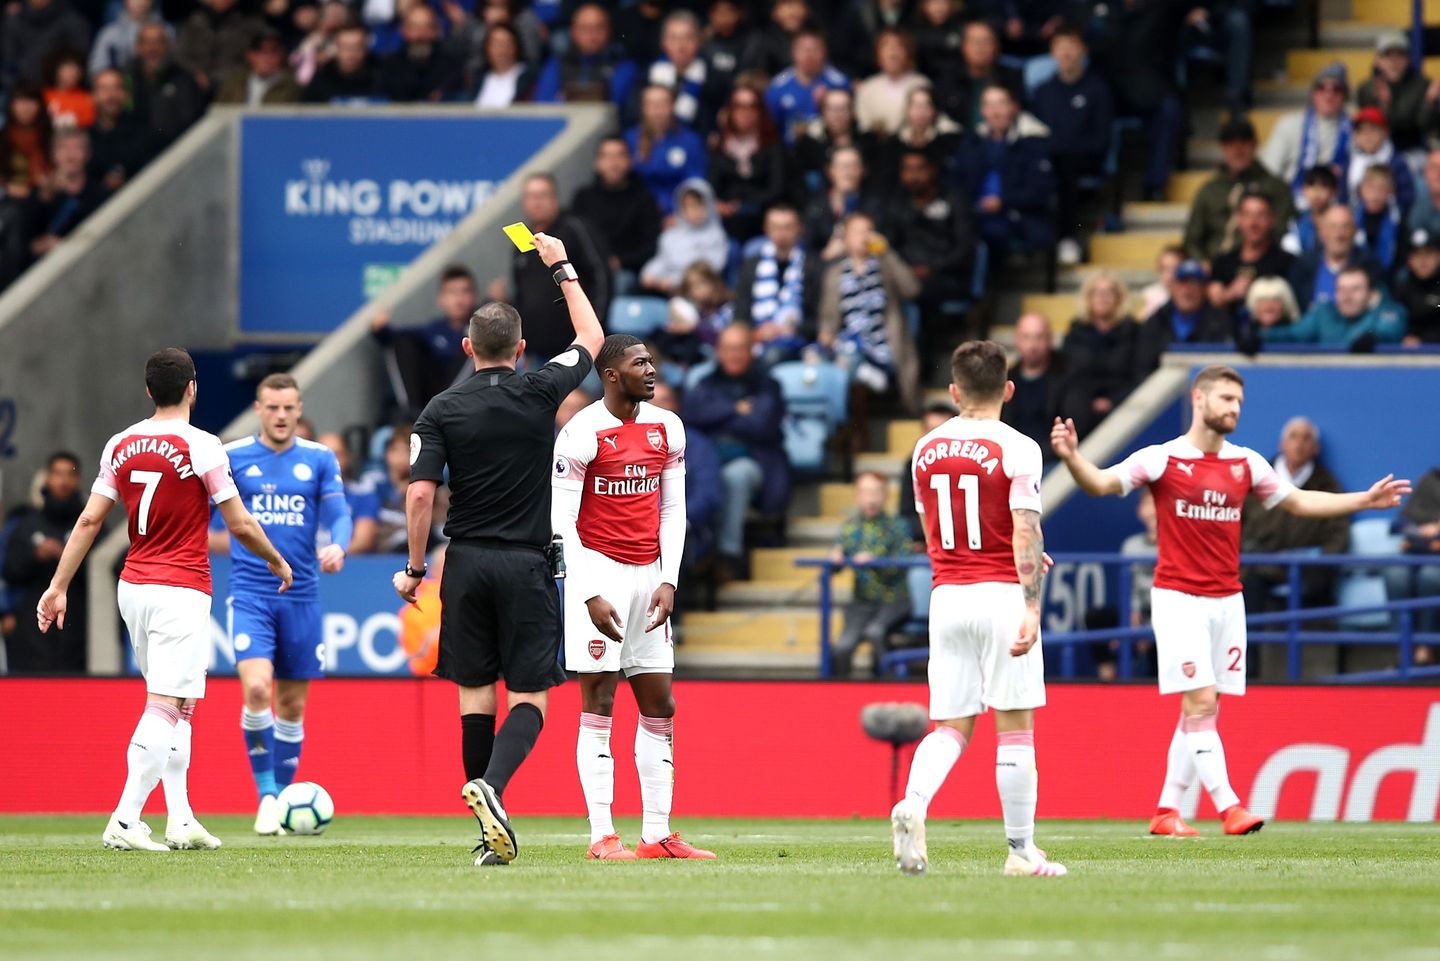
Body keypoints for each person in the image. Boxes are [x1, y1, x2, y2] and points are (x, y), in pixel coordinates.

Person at [1050, 365, 1410, 837]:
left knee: (1203, 709)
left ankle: (1166, 811)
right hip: (1179, 598)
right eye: (1225, 399)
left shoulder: (1247, 463)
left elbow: (1299, 502)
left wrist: (1363, 500)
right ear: (1198, 400)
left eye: (1238, 401)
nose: (1234, 409)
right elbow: (1100, 484)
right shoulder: (1162, 459)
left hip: (1227, 601)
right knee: (1200, 701)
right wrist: (1075, 459)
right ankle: (1229, 807)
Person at [392, 232, 604, 867]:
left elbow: (421, 495)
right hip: (526, 562)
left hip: (466, 565)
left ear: (466, 348)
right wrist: (561, 266)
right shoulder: (540, 389)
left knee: (474, 693)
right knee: (532, 698)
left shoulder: (441, 408)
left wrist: (414, 567)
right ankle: (494, 790)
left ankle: (488, 830)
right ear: (519, 348)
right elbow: (592, 340)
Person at [37, 347, 293, 852]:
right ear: (193, 387)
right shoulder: (203, 446)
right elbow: (238, 522)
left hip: (133, 586)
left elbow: (90, 520)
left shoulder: (121, 443)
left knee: (182, 702)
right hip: (180, 588)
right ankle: (126, 818)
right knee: (164, 703)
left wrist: (58, 584)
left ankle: (180, 818)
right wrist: (276, 559)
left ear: (150, 390)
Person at [891, 340, 1065, 879]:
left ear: (953, 391)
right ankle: (1021, 851)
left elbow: (933, 531)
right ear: (1008, 389)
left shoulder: (925, 448)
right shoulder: (1019, 447)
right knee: (1014, 728)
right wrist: (1032, 607)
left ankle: (914, 802)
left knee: (950, 726)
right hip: (999, 593)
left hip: (947, 594)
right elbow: (1023, 529)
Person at [552, 334, 715, 861]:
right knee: (598, 702)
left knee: (660, 703)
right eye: (638, 362)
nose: (651, 369)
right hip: (598, 574)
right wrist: (588, 591)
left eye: (651, 361)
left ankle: (657, 834)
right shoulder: (581, 432)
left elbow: (673, 511)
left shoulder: (668, 427)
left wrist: (669, 578)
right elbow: (562, 523)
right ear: (611, 374)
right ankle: (602, 834)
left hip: (649, 575)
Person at [209, 375, 352, 836]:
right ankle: (268, 796)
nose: (282, 416)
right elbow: (204, 514)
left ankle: (286, 798)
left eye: (289, 407)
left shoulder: (319, 458)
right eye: (273, 408)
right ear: (259, 408)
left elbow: (339, 514)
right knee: (256, 690)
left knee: (291, 705)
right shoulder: (231, 457)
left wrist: (340, 546)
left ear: (299, 407)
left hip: (303, 597)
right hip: (251, 594)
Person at [682, 323, 790, 581]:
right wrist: (734, 409)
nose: (734, 355)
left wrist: (717, 416)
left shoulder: (767, 384)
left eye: (740, 348)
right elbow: (692, 414)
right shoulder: (706, 383)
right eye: (728, 349)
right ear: (718, 352)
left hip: (755, 461)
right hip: (706, 459)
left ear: (752, 350)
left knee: (734, 476)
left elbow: (760, 425)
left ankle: (728, 554)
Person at [817, 212, 922, 427]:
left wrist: (887, 252)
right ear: (845, 237)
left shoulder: (884, 264)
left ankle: (847, 428)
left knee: (848, 363)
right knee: (820, 358)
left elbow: (912, 289)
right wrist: (826, 333)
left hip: (882, 345)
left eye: (868, 231)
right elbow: (828, 317)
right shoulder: (835, 273)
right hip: (847, 343)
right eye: (858, 232)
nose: (864, 237)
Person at [492, 173, 610, 365]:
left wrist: (595, 327)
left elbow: (601, 275)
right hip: (536, 351)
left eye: (542, 195)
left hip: (578, 346)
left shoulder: (575, 229)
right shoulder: (521, 241)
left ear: (555, 199)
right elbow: (522, 293)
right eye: (531, 196)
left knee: (582, 396)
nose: (536, 202)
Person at [1240, 417, 1347, 618]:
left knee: (1321, 589)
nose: (1299, 444)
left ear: (1315, 448)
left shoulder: (1327, 485)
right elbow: (1235, 522)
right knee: (1247, 589)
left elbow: (1338, 533)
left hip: (1307, 567)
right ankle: (1247, 650)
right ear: (1282, 444)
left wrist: (1319, 559)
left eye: (1306, 438)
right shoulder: (1256, 479)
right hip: (1259, 564)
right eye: (1293, 437)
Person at [1029, 26, 1114, 267]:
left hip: (1085, 159)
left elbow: (1102, 138)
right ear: (1052, 52)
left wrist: (1066, 147)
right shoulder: (1042, 92)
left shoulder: (1097, 89)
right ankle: (1037, 237)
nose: (1066, 52)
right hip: (1050, 159)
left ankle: (1068, 237)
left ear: (1082, 50)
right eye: (1060, 46)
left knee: (1066, 166)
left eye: (1072, 45)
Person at [886, 148, 975, 356]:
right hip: (906, 276)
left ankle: (924, 362)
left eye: (919, 169)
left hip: (946, 277)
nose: (913, 176)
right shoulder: (896, 203)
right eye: (907, 170)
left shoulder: (954, 200)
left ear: (932, 170)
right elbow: (891, 245)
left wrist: (933, 268)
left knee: (922, 296)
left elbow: (965, 249)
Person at [2, 452, 86, 673]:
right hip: (32, 635)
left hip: (76, 633)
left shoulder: (88, 526)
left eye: (70, 474)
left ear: (78, 480)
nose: (64, 481)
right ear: (47, 478)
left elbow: (102, 575)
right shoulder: (27, 525)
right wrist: (35, 556)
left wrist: (68, 558)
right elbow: (9, 571)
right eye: (58, 473)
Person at [950, 84, 1055, 258]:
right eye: (989, 106)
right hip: (974, 213)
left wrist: (1003, 200)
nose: (995, 112)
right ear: (982, 111)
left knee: (982, 233)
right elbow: (957, 180)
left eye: (1001, 104)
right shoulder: (973, 142)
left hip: (1016, 215)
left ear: (1014, 107)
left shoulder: (1033, 141)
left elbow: (1040, 190)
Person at [829, 471, 913, 677]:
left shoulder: (898, 527)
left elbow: (902, 564)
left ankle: (884, 687)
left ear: (885, 496)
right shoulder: (850, 528)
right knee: (842, 646)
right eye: (866, 492)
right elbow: (836, 562)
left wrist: (873, 561)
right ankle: (839, 693)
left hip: (894, 599)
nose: (871, 498)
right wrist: (835, 558)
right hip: (861, 602)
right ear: (857, 496)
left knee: (875, 633)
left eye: (876, 492)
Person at [371, 265, 478, 418]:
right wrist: (380, 330)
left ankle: (441, 410)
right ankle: (411, 415)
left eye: (465, 292)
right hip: (429, 396)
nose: (459, 299)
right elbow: (397, 337)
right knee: (403, 343)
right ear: (441, 299)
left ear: (474, 296)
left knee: (477, 343)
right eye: (452, 293)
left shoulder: (482, 327)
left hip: (463, 403)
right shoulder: (434, 329)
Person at [1184, 117, 1294, 262]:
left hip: (1259, 265)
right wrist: (1202, 264)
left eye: (1244, 142)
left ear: (1254, 145)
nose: (1237, 150)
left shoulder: (1275, 187)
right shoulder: (1210, 190)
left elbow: (1281, 231)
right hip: (1212, 267)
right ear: (1222, 147)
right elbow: (1192, 239)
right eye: (1230, 143)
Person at [732, 202, 819, 363]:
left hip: (799, 343)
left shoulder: (812, 266)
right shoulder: (752, 265)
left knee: (772, 356)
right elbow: (740, 312)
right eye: (776, 227)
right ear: (766, 229)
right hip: (757, 339)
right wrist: (757, 333)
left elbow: (819, 320)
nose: (781, 233)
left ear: (799, 229)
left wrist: (788, 329)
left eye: (787, 227)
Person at [570, 137, 661, 288]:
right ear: (597, 163)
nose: (614, 163)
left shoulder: (643, 198)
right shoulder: (583, 197)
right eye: (607, 156)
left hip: (626, 271)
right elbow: (574, 238)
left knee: (617, 282)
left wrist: (621, 261)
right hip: (586, 268)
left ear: (629, 161)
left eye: (619, 155)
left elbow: (652, 245)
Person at [1260, 62, 1353, 205]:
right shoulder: (1289, 125)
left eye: (1337, 89)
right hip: (1292, 204)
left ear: (1345, 96)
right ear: (1313, 94)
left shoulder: (1355, 130)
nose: (1329, 94)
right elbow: (1269, 173)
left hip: (1340, 209)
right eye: (1322, 88)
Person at [1059, 274, 1139, 438]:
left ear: (1119, 298)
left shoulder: (1134, 332)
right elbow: (1067, 375)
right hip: (1081, 411)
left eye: (1108, 292)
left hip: (1123, 409)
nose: (1102, 297)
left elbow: (1139, 375)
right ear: (1088, 298)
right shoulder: (1075, 332)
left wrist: (1113, 401)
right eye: (1097, 292)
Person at [707, 82, 786, 242]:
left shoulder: (772, 147)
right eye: (739, 106)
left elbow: (777, 189)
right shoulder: (719, 147)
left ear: (760, 111)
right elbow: (711, 186)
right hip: (725, 225)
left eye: (751, 106)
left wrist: (743, 206)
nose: (745, 113)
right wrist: (718, 204)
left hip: (762, 222)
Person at [1264, 265, 1407, 349]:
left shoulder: (1388, 311)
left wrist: (1372, 339)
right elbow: (1293, 335)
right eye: (1341, 290)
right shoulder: (1324, 313)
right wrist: (1260, 336)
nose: (1347, 296)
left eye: (1355, 289)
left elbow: (1389, 333)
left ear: (1372, 294)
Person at [1134, 260, 1234, 378]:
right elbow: (1142, 368)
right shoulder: (1155, 322)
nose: (1187, 290)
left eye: (1194, 283)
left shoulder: (1220, 322)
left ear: (1204, 289)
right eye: (1182, 282)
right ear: (1172, 287)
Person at [531, 3, 637, 110]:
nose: (592, 35)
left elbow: (616, 105)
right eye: (585, 28)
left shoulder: (623, 66)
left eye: (599, 28)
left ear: (609, 31)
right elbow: (542, 107)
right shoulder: (556, 65)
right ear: (573, 32)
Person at [1206, 192, 1295, 320]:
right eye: (1247, 215)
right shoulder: (1222, 262)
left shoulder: (1288, 263)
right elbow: (1213, 300)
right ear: (1238, 219)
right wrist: (1230, 294)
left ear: (1272, 219)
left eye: (1261, 215)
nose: (1253, 223)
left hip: (1274, 336)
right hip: (1227, 335)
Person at [624, 84, 707, 216]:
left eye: (663, 103)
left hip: (681, 215)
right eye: (651, 104)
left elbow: (694, 183)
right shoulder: (629, 139)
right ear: (643, 108)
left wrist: (677, 212)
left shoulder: (691, 141)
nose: (657, 110)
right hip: (638, 214)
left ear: (673, 106)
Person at [639, 178, 730, 296]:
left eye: (698, 205)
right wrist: (650, 273)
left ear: (709, 205)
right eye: (688, 206)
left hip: (702, 294)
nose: (693, 211)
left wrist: (675, 281)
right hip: (669, 291)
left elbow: (711, 269)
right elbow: (662, 260)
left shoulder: (716, 235)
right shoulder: (670, 236)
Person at [1288, 204, 1384, 311]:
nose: (1339, 235)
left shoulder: (1370, 266)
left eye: (1345, 227)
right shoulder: (1304, 265)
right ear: (1321, 233)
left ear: (1355, 231)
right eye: (1333, 227)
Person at [639, 10, 721, 133]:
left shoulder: (715, 80)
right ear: (663, 43)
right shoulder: (647, 77)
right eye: (674, 38)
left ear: (699, 42)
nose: (681, 46)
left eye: (688, 38)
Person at [764, 27, 851, 144]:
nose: (809, 55)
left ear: (824, 51)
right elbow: (772, 127)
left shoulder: (839, 82)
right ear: (793, 52)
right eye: (803, 49)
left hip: (829, 149)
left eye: (814, 49)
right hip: (790, 152)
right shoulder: (778, 85)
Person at [932, 19, 1021, 130]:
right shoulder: (947, 81)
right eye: (974, 41)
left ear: (997, 46)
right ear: (963, 47)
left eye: (986, 41)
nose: (980, 47)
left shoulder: (1011, 78)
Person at [129, 23, 205, 149]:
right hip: (135, 153)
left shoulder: (183, 79)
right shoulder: (127, 79)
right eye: (147, 42)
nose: (152, 48)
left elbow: (191, 122)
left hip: (173, 151)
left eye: (158, 42)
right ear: (138, 47)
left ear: (167, 46)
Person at [871, 85, 962, 189]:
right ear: (907, 110)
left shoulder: (948, 140)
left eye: (926, 106)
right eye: (916, 106)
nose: (921, 111)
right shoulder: (893, 143)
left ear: (935, 110)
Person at [1357, 31, 1432, 156]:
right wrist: (1384, 106)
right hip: (1374, 151)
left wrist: (1429, 103)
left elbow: (1422, 126)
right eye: (1388, 56)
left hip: (1411, 150)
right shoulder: (1366, 89)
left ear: (1408, 59)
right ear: (1377, 60)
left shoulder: (1422, 86)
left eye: (1399, 55)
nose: (1394, 61)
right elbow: (1364, 128)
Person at [1000, 312, 1063, 457]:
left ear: (1050, 340)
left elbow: (1075, 426)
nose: (1032, 345)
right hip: (1012, 459)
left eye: (1039, 337)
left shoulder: (1067, 375)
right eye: (1026, 337)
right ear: (1016, 341)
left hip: (1053, 460)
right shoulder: (1006, 378)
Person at [376, 3, 463, 102]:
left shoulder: (452, 68)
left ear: (437, 31)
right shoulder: (388, 68)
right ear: (403, 30)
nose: (421, 35)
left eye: (427, 27)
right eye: (415, 28)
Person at [87, 68, 155, 192]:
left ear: (125, 94)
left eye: (117, 88)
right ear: (94, 96)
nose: (111, 95)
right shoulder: (86, 139)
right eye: (104, 89)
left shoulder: (144, 132)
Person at [175, 0, 264, 91]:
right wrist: (196, 73)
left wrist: (231, 76)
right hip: (195, 82)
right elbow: (180, 55)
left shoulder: (249, 22)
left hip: (234, 81)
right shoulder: (192, 21)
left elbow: (252, 57)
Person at [2, 0, 92, 89]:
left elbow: (79, 60)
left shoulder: (74, 22)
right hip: (20, 91)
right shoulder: (13, 21)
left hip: (59, 90)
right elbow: (7, 63)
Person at [899, 400, 956, 541]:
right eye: (931, 431)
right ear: (923, 433)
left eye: (942, 431)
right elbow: (907, 514)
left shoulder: (973, 465)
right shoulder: (912, 465)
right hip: (926, 544)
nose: (936, 438)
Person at [854, 28, 926, 138]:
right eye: (886, 47)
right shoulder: (867, 88)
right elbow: (863, 126)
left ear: (908, 53)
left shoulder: (921, 85)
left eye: (899, 47)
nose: (893, 53)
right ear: (877, 54)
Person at [316, 432, 379, 553]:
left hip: (349, 565)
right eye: (324, 455)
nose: (331, 461)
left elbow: (363, 541)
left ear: (347, 458)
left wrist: (332, 554)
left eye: (337, 454)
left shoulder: (363, 495)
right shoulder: (298, 495)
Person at [1347, 108, 1415, 215]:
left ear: (1385, 132)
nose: (1367, 136)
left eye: (1373, 129)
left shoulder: (1397, 162)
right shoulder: (1349, 160)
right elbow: (1343, 196)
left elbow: (1406, 197)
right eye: (1362, 130)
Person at [215, 30, 303, 105]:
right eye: (262, 52)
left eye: (273, 52)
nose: (267, 58)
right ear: (250, 55)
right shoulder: (233, 84)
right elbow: (219, 113)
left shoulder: (291, 87)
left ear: (281, 56)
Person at [1352, 165, 1407, 279]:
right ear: (1361, 189)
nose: (1375, 194)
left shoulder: (1398, 221)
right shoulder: (1351, 220)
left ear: (1390, 192)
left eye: (1381, 189)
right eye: (1370, 187)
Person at [302, 23, 379, 103]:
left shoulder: (381, 75)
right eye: (345, 47)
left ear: (366, 49)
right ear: (336, 48)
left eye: (357, 47)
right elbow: (308, 111)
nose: (350, 54)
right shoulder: (322, 79)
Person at [89, 0, 168, 75]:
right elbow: (97, 70)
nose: (140, 2)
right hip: (120, 85)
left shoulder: (166, 31)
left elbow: (172, 64)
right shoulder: (108, 34)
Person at [1280, 166, 1339, 257]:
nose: (1317, 192)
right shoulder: (1297, 221)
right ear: (1304, 189)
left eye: (1323, 186)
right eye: (1311, 185)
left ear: (1334, 191)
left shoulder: (1342, 220)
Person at [1396, 228, 1440, 344]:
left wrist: (1423, 340)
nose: (1423, 260)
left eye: (1429, 253)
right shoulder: (1401, 288)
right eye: (1417, 254)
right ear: (1409, 260)